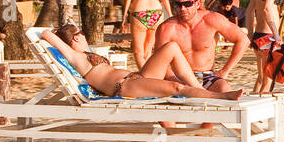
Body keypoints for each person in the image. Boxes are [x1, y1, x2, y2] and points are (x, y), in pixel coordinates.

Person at [41, 24, 240, 99]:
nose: (84, 35)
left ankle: (200, 89)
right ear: (76, 38)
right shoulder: (77, 57)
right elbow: (46, 35)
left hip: (136, 77)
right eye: (81, 33)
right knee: (175, 87)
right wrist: (56, 33)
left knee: (171, 47)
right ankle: (221, 98)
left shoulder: (87, 52)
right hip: (125, 87)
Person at [154, 0, 249, 92]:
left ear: (197, 4)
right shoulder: (167, 28)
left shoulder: (211, 19)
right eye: (178, 5)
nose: (182, 8)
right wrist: (176, 80)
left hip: (206, 76)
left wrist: (225, 70)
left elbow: (243, 40)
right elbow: (159, 62)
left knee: (225, 89)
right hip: (178, 78)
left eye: (188, 4)